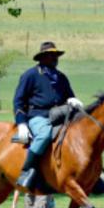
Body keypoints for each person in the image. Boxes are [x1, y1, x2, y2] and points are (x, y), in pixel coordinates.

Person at [13, 41, 84, 191]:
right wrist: (21, 123)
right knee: (44, 135)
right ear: (42, 57)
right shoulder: (30, 75)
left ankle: (88, 176)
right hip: (38, 115)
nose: (55, 58)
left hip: (60, 116)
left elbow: (69, 96)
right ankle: (27, 170)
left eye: (56, 55)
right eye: (51, 55)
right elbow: (18, 101)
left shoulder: (61, 77)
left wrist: (72, 100)